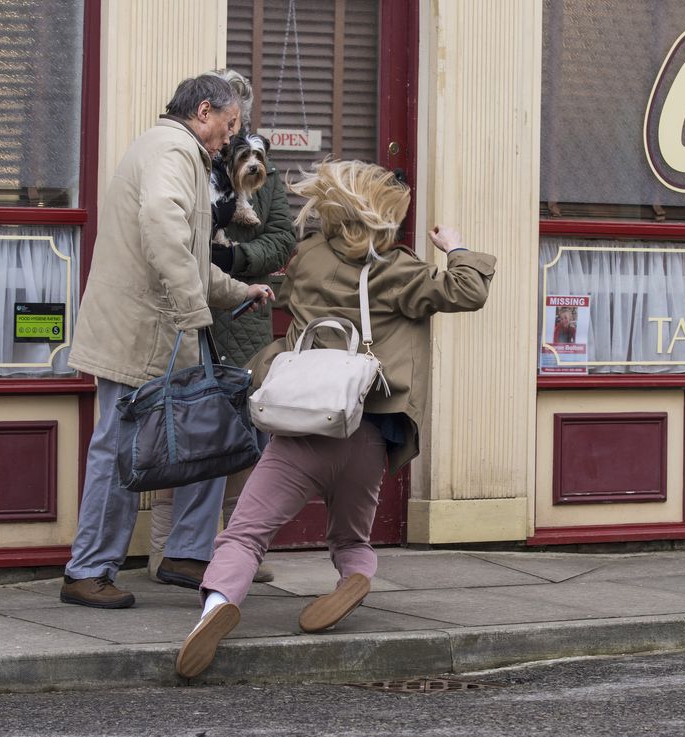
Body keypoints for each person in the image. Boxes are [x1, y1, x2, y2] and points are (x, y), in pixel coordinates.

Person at [174, 159, 496, 678]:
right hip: (365, 431)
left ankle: (215, 610)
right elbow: (467, 291)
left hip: (301, 428)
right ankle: (353, 576)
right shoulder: (399, 271)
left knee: (244, 535)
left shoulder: (308, 259)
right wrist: (455, 247)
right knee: (351, 537)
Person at [60, 74, 275, 610]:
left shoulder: (178, 153)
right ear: (204, 111)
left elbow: (188, 254)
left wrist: (235, 290)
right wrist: (194, 310)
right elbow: (163, 230)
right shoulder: (172, 151)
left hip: (157, 329)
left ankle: (185, 553)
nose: (231, 139)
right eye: (229, 127)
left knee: (211, 431)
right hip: (142, 333)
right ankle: (87, 570)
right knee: (116, 448)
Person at [148, 69, 296, 586]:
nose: (233, 133)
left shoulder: (265, 174)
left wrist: (232, 257)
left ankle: (238, 552)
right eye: (229, 121)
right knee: (183, 440)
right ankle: (167, 552)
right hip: (190, 318)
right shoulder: (191, 160)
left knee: (243, 447)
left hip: (243, 321)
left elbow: (282, 240)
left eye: (240, 120)